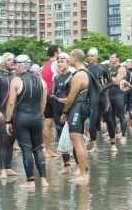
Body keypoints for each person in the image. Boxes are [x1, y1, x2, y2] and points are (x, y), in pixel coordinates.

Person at [5, 54, 49, 188]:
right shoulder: (41, 81)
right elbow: (43, 103)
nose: (15, 68)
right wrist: (39, 116)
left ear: (21, 66)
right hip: (36, 117)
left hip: (22, 119)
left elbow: (11, 103)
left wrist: (8, 121)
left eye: (16, 66)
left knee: (26, 150)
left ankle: (30, 181)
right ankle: (43, 180)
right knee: (38, 149)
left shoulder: (16, 81)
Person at [60, 49, 90, 182]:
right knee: (80, 142)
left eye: (69, 58)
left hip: (78, 107)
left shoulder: (79, 75)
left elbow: (71, 98)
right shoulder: (84, 72)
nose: (68, 60)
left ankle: (83, 174)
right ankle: (83, 171)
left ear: (74, 58)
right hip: (82, 107)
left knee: (77, 142)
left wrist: (65, 112)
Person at [0, 52, 20, 179]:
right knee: (3, 141)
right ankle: (2, 170)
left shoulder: (16, 76)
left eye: (13, 59)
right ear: (3, 62)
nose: (12, 61)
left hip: (15, 113)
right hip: (2, 112)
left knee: (11, 142)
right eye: (8, 60)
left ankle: (8, 167)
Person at [86, 47, 117, 152]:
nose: (90, 58)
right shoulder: (86, 69)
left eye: (92, 56)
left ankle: (113, 144)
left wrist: (103, 88)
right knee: (92, 122)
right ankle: (94, 147)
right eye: (88, 55)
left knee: (109, 120)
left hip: (103, 97)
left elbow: (111, 82)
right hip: (92, 98)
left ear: (97, 56)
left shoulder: (103, 68)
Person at [50, 52, 75, 174]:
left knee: (74, 137)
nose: (59, 64)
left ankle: (81, 165)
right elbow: (52, 94)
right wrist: (57, 99)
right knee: (61, 138)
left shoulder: (73, 76)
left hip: (69, 110)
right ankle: (66, 165)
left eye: (62, 61)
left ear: (68, 62)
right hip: (57, 110)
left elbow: (73, 97)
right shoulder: (56, 78)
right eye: (58, 62)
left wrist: (61, 100)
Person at [41, 45, 61, 157]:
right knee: (59, 123)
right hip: (54, 96)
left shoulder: (44, 65)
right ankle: (65, 150)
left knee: (47, 123)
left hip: (45, 95)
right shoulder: (56, 64)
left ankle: (47, 150)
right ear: (56, 53)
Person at [108, 53, 127, 143]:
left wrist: (109, 79)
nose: (110, 59)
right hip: (110, 94)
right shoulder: (111, 69)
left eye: (112, 57)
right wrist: (113, 79)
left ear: (118, 58)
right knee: (111, 116)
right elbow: (106, 81)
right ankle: (113, 135)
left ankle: (123, 135)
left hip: (119, 95)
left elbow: (117, 82)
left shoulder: (121, 68)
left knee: (121, 116)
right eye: (110, 57)